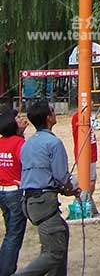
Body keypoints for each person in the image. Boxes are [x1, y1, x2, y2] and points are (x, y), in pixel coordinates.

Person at [15, 99, 79, 276]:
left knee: (60, 234)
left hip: (28, 201)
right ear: (48, 118)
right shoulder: (54, 143)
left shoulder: (27, 144)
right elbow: (61, 177)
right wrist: (72, 188)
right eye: (52, 111)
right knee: (54, 252)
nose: (55, 113)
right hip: (44, 202)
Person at [0, 109, 27, 276]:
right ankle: (6, 271)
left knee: (10, 232)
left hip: (2, 192)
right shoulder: (19, 143)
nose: (22, 118)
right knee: (14, 235)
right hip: (14, 192)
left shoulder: (2, 142)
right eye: (17, 117)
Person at [70, 109, 98, 215]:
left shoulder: (89, 115)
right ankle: (80, 204)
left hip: (92, 152)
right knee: (88, 182)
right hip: (84, 152)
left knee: (92, 181)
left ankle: (86, 205)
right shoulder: (78, 116)